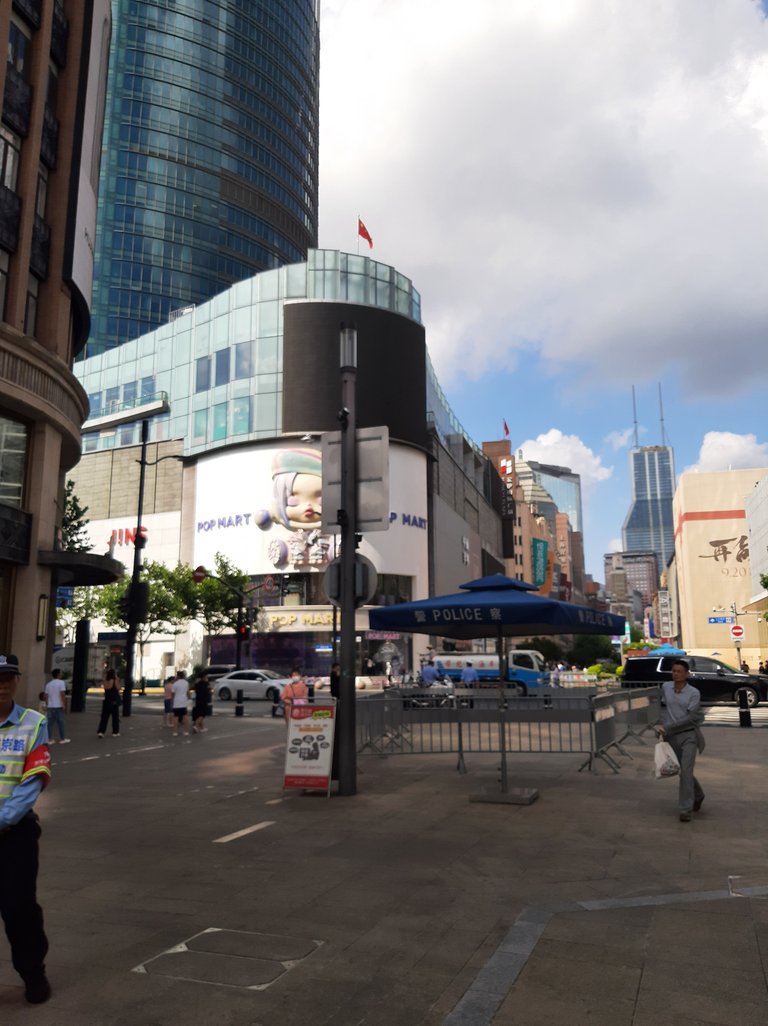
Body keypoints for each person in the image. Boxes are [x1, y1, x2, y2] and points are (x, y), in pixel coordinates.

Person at [0, 653, 53, 1004]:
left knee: (19, 908)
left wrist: (3, 819)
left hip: (14, 835)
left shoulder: (33, 723)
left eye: (9, 677)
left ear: (18, 681)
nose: (3, 684)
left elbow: (33, 781)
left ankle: (33, 974)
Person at [657, 658, 705, 822]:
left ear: (686, 674)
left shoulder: (694, 693)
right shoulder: (666, 687)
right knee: (683, 772)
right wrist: (661, 724)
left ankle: (685, 810)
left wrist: (670, 727)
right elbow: (663, 707)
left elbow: (691, 717)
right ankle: (698, 794)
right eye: (673, 671)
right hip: (671, 737)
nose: (675, 674)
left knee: (686, 771)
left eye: (679, 671)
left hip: (688, 736)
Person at [44, 669, 70, 744]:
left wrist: (47, 703)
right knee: (61, 723)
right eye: (61, 673)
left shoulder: (48, 684)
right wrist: (64, 704)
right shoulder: (61, 683)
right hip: (58, 705)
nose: (62, 674)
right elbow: (62, 694)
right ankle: (62, 738)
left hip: (50, 706)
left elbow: (46, 695)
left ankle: (49, 739)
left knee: (50, 724)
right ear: (58, 674)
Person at [97, 669, 121, 737]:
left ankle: (101, 731)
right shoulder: (114, 681)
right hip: (114, 701)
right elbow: (118, 688)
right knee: (115, 717)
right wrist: (117, 680)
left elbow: (106, 688)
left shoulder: (106, 681)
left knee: (104, 717)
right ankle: (115, 732)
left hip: (107, 701)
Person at [171, 671, 190, 736]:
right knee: (185, 716)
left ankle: (175, 732)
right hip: (183, 702)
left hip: (176, 702)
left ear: (178, 676)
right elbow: (188, 692)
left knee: (175, 717)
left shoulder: (175, 684)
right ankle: (186, 731)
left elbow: (173, 694)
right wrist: (188, 698)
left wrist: (172, 701)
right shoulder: (186, 683)